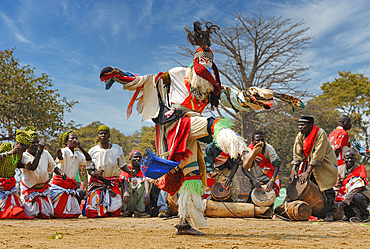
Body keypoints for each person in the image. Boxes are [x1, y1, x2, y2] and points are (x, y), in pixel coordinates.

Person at [99, 21, 304, 235]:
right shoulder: (178, 74)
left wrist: (259, 96)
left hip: (190, 133)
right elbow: (146, 80)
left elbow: (238, 98)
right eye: (202, 67)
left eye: (208, 68)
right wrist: (120, 75)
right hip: (175, 124)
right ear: (194, 66)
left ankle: (184, 223)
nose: (205, 71)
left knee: (193, 178)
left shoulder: (212, 88)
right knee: (215, 124)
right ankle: (239, 149)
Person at [290, 115, 338, 222]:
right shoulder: (300, 136)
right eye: (299, 125)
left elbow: (318, 155)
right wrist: (293, 169)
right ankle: (314, 213)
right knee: (310, 188)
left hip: (324, 164)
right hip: (309, 164)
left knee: (326, 188)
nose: (300, 127)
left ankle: (329, 213)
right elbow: (297, 153)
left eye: (303, 125)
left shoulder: (320, 133)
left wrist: (307, 172)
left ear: (311, 125)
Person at [85, 125, 131, 218]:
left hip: (112, 184)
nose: (103, 135)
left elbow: (122, 165)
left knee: (114, 213)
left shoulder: (117, 149)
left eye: (105, 134)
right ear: (97, 136)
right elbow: (89, 169)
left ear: (109, 136)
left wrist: (130, 172)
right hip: (97, 184)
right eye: (101, 134)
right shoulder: (92, 151)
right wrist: (95, 173)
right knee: (92, 213)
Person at [20, 127, 64, 218]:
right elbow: (32, 167)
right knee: (30, 214)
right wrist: (39, 152)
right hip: (30, 189)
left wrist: (61, 173)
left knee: (49, 214)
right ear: (27, 144)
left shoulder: (46, 153)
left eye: (37, 142)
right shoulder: (24, 155)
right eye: (33, 143)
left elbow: (53, 166)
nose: (36, 145)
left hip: (43, 189)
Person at [50, 130, 90, 218]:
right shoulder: (64, 151)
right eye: (72, 138)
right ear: (66, 142)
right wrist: (59, 156)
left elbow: (88, 159)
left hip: (70, 185)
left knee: (81, 192)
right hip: (59, 184)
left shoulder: (78, 154)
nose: (74, 140)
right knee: (58, 213)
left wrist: (80, 147)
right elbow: (60, 158)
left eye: (76, 138)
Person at [0, 128, 32, 219]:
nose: (24, 151)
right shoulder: (6, 146)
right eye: (24, 148)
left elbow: (15, 164)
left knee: (17, 211)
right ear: (18, 144)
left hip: (10, 183)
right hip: (1, 182)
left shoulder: (19, 153)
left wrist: (25, 166)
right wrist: (10, 153)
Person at [242, 130, 281, 201]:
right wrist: (254, 180)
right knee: (252, 200)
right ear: (253, 141)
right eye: (257, 140)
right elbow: (244, 168)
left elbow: (276, 164)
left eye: (262, 140)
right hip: (255, 179)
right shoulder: (248, 150)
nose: (260, 142)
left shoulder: (269, 149)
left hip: (268, 178)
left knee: (268, 200)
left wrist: (272, 180)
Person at [335, 150, 370, 222]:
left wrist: (344, 202)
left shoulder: (360, 170)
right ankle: (351, 215)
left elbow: (356, 189)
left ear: (355, 159)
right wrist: (334, 198)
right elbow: (336, 185)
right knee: (337, 199)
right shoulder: (339, 169)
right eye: (347, 158)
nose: (349, 160)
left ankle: (365, 215)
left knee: (357, 197)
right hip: (345, 193)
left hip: (359, 193)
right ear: (344, 159)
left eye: (352, 158)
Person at [120, 150, 151, 217]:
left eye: (140, 157)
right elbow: (124, 179)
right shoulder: (126, 168)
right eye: (135, 157)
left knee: (148, 183)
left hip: (138, 199)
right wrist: (126, 191)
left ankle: (139, 211)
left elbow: (146, 179)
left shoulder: (144, 169)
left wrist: (147, 192)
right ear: (130, 159)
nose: (138, 159)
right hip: (127, 199)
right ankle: (124, 210)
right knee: (122, 182)